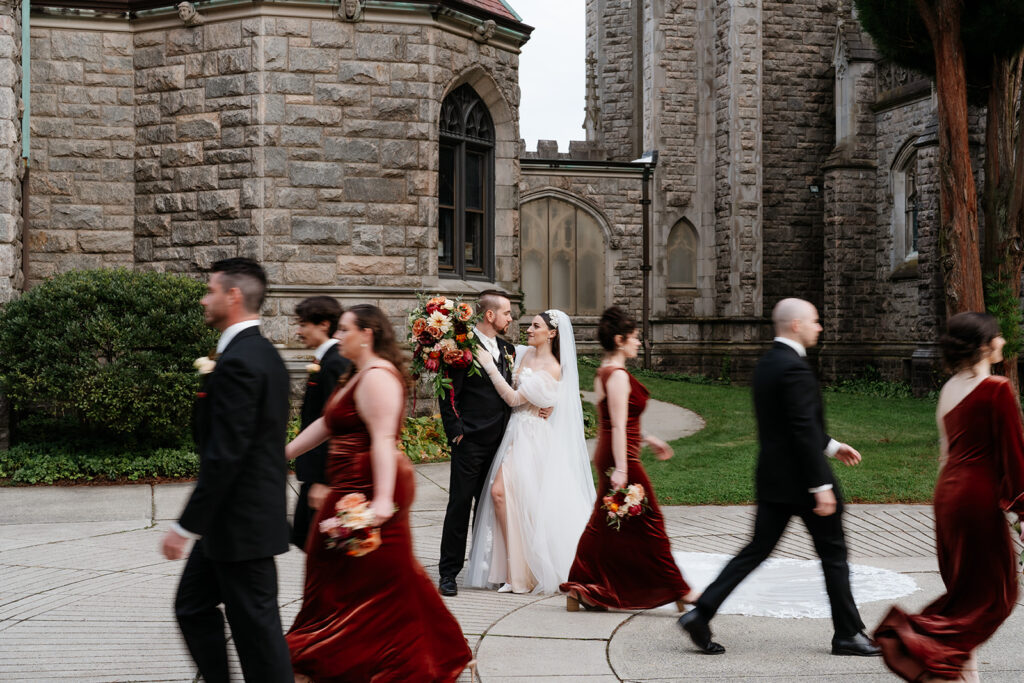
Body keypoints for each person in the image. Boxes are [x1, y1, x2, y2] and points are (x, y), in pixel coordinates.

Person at [677, 297, 879, 656]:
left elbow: (790, 424)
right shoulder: (796, 369)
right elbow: (801, 430)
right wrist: (822, 486)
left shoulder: (768, 363)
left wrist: (832, 446)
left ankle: (701, 612)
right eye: (815, 321)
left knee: (755, 550)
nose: (820, 327)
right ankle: (847, 634)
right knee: (833, 555)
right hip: (803, 481)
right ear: (797, 325)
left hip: (773, 478)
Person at [285, 304, 472, 682]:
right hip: (348, 486)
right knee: (353, 573)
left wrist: (383, 501)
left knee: (381, 575)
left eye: (345, 330)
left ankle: (413, 653)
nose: (338, 336)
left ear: (367, 333)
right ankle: (340, 650)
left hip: (368, 488)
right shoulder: (357, 374)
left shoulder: (378, 377)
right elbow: (326, 423)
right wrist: (282, 454)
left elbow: (385, 441)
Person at [161, 257, 292, 683]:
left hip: (242, 526)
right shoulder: (259, 352)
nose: (204, 298)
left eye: (210, 290)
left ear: (232, 296)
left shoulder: (240, 361)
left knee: (260, 639)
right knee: (192, 605)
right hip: (231, 524)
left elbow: (224, 455)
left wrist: (184, 527)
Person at [874, 312, 1024, 682]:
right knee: (995, 597)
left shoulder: (949, 389)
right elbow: (1015, 457)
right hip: (976, 498)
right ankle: (914, 640)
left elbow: (946, 451)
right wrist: (1022, 509)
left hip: (948, 495)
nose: (1003, 342)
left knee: (964, 593)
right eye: (998, 336)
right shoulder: (997, 390)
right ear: (985, 346)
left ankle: (960, 673)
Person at [560, 306, 696, 611]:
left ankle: (581, 585)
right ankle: (678, 587)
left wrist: (649, 438)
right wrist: (621, 469)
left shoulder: (605, 369)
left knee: (607, 520)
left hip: (613, 451)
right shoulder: (618, 375)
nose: (639, 342)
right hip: (620, 458)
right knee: (650, 521)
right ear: (620, 339)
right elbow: (618, 424)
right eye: (635, 337)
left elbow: (619, 420)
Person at [465, 310, 596, 593]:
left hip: (532, 437)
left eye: (535, 326)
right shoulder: (522, 353)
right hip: (513, 433)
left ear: (552, 333)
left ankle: (523, 572)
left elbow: (513, 398)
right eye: (529, 325)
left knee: (513, 499)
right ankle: (516, 570)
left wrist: (488, 366)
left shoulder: (552, 367)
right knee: (511, 499)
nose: (528, 329)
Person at [437, 290, 516, 596]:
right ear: (490, 315)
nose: (510, 318)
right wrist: (456, 431)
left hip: (500, 440)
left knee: (488, 508)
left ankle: (483, 568)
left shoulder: (508, 348)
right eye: (507, 313)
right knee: (459, 505)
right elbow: (448, 392)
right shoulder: (460, 348)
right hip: (469, 440)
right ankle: (448, 573)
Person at [290, 296, 351, 550]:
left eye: (304, 324)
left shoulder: (335, 363)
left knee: (318, 545)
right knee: (307, 540)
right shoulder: (326, 360)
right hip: (314, 473)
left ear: (324, 325)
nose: (299, 330)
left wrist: (322, 481)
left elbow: (333, 425)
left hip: (323, 477)